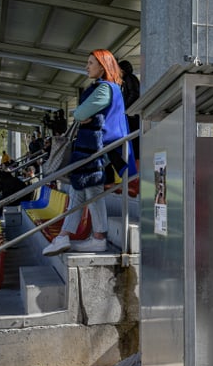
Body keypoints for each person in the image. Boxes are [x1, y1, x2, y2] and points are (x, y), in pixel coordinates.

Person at [43, 49, 136, 256]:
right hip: (93, 147)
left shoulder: (104, 89)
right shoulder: (109, 87)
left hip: (93, 148)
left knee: (86, 190)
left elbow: (80, 113)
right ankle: (75, 236)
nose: (87, 67)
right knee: (84, 191)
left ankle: (86, 237)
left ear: (103, 66)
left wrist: (79, 113)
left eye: (91, 63)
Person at [118, 59, 141, 157]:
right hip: (131, 114)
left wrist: (125, 108)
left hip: (132, 115)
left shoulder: (129, 78)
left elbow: (134, 94)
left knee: (134, 141)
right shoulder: (125, 80)